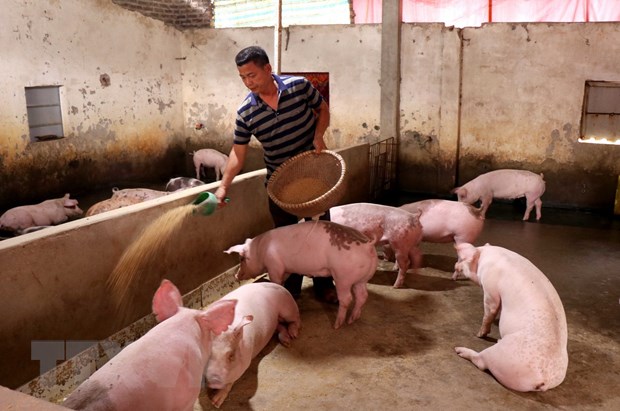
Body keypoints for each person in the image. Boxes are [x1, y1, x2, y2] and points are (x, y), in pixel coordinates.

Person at [215, 45, 338, 304]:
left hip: (312, 176)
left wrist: (319, 135)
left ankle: (324, 284)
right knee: (286, 238)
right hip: (279, 183)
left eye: (252, 75)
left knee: (319, 232)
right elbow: (238, 152)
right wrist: (224, 185)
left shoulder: (299, 86)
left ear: (268, 69)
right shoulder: (246, 112)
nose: (248, 82)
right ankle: (290, 290)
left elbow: (323, 109)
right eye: (243, 78)